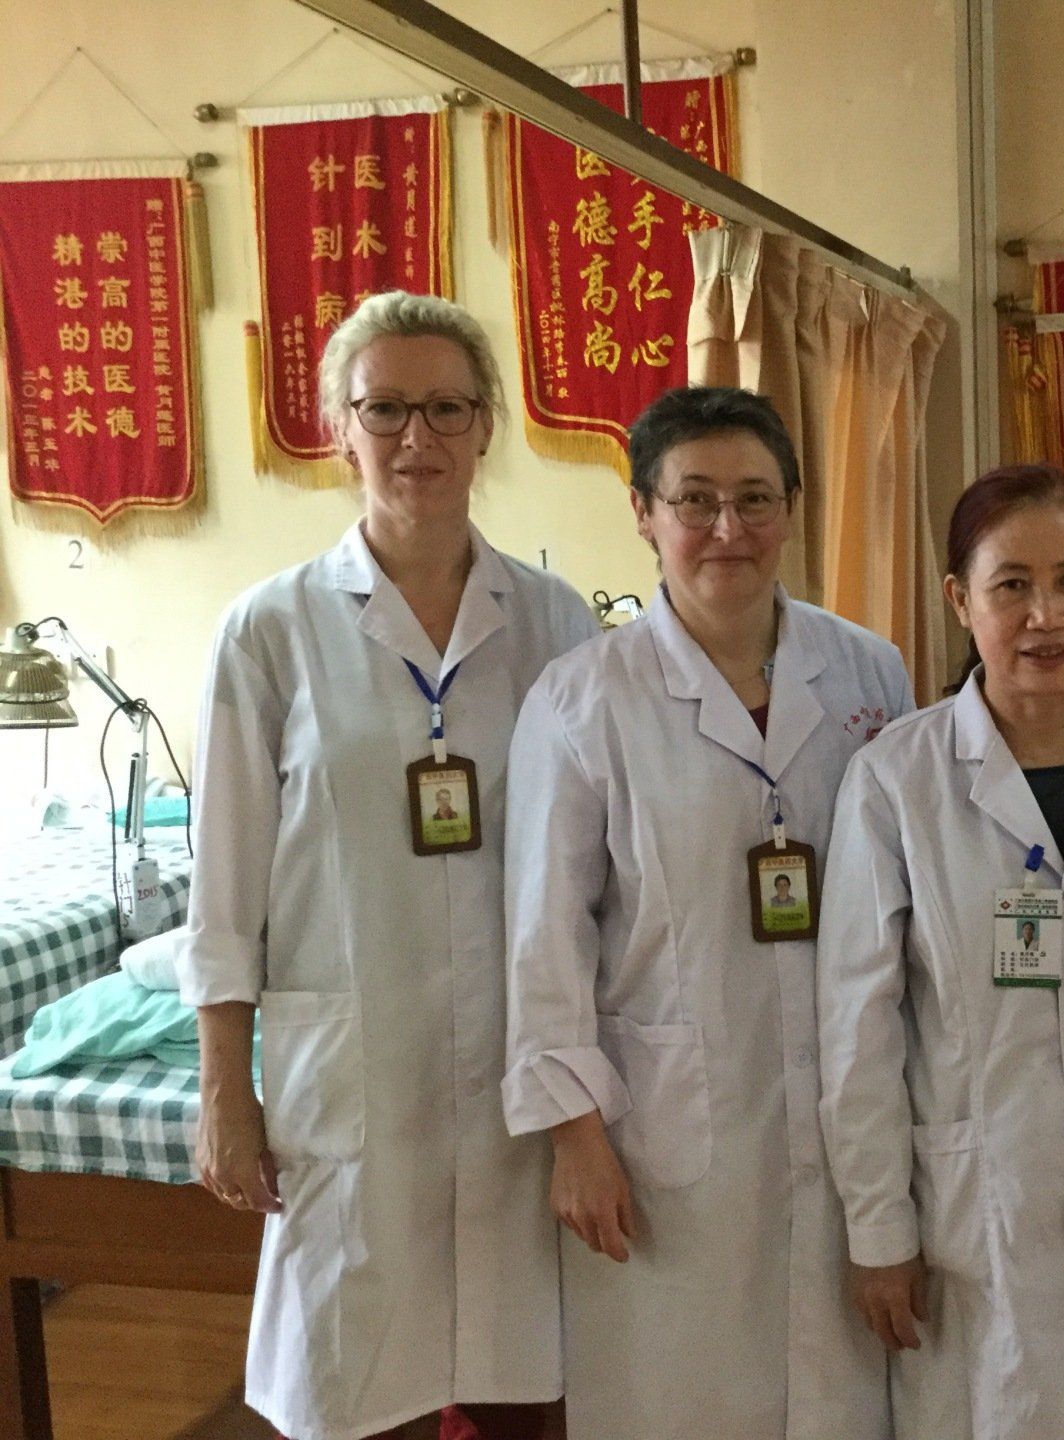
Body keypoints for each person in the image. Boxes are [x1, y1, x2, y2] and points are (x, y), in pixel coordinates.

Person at [183, 291, 600, 1440]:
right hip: (356, 1074)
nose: (418, 438)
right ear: (340, 429)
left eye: (447, 408)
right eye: (386, 410)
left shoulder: (555, 623)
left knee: (526, 1392)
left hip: (520, 1082)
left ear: (486, 425)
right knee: (358, 1393)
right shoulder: (270, 630)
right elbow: (224, 889)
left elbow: (596, 863)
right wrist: (225, 1088)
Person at [502, 386, 913, 1440]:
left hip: (846, 1103)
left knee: (839, 1400)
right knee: (677, 1397)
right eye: (695, 500)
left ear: (792, 508)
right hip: (665, 1129)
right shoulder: (582, 699)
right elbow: (547, 936)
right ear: (644, 513)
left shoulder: (869, 672)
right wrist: (574, 1137)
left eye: (755, 498)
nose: (728, 528)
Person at [817, 463, 1064, 1440]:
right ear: (961, 600)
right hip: (977, 1206)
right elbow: (858, 1027)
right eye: (1012, 585)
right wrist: (878, 1229)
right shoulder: (896, 781)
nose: (1046, 616)